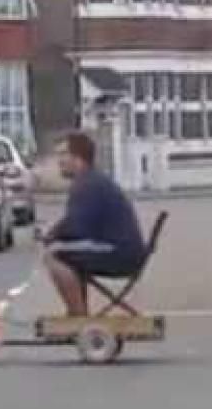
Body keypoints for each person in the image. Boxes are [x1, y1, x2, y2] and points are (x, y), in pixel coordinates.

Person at [41, 132, 146, 316]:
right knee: (68, 253)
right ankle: (77, 313)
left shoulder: (86, 184)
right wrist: (55, 232)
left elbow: (78, 229)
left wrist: (52, 236)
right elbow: (78, 222)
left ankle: (78, 317)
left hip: (119, 253)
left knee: (54, 255)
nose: (59, 160)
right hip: (123, 250)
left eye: (63, 154)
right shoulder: (92, 180)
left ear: (78, 157)